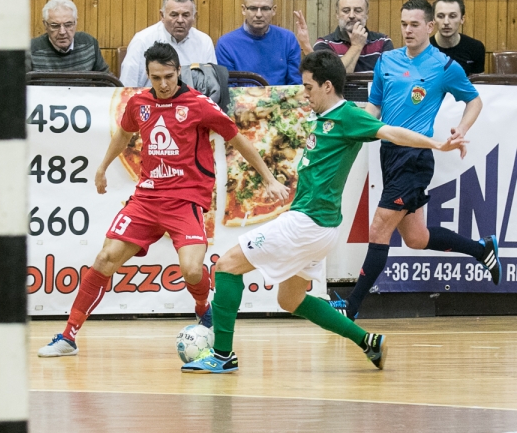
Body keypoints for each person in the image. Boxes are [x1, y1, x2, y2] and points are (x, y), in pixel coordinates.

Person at [181, 50, 468, 374]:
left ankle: (221, 356)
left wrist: (437, 144)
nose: (305, 93)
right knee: (290, 301)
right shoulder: (323, 117)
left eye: (309, 87)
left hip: (307, 223)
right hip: (321, 229)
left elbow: (391, 132)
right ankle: (367, 342)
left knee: (227, 267)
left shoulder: (348, 115)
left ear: (327, 86)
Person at [38, 42, 284, 357]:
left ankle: (202, 308)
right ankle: (68, 336)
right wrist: (102, 167)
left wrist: (269, 178)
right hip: (146, 199)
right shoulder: (138, 103)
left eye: (169, 76)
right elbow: (123, 135)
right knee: (104, 259)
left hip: (185, 200)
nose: (164, 84)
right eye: (156, 78)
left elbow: (238, 139)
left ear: (178, 71)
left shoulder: (199, 104)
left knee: (192, 271)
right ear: (148, 75)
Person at [329, 0, 497, 322]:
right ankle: (482, 249)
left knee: (379, 228)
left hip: (416, 158)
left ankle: (352, 306)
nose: (407, 30)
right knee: (416, 238)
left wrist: (460, 131)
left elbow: (473, 101)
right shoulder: (387, 61)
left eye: (415, 24)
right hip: (390, 153)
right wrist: (353, 131)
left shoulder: (444, 65)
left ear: (430, 27)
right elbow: (374, 109)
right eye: (404, 24)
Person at [120, 0, 216, 87]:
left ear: (194, 17)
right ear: (162, 16)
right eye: (174, 15)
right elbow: (128, 87)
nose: (180, 20)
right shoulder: (142, 40)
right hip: (152, 100)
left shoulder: (204, 41)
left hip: (194, 100)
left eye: (185, 15)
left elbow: (212, 85)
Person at [216, 0, 301, 85]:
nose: (259, 14)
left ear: (273, 10)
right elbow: (229, 89)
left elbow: (295, 84)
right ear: (244, 10)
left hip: (282, 99)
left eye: (265, 8)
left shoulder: (288, 39)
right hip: (242, 99)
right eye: (253, 8)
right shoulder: (226, 44)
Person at [294, 0, 393, 73]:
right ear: (337, 14)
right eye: (346, 11)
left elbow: (389, 77)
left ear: (366, 14)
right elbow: (333, 78)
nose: (351, 15)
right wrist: (356, 46)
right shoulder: (324, 43)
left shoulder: (383, 41)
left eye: (358, 10)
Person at [30, 0, 110, 73]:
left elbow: (107, 82)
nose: (62, 32)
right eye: (55, 26)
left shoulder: (89, 44)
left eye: (68, 25)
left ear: (76, 23)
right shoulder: (31, 50)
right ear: (45, 25)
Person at [429, 0, 485, 76]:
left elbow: (478, 85)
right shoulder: (423, 49)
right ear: (433, 20)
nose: (446, 22)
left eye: (452, 16)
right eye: (440, 16)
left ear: (462, 19)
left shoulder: (475, 47)